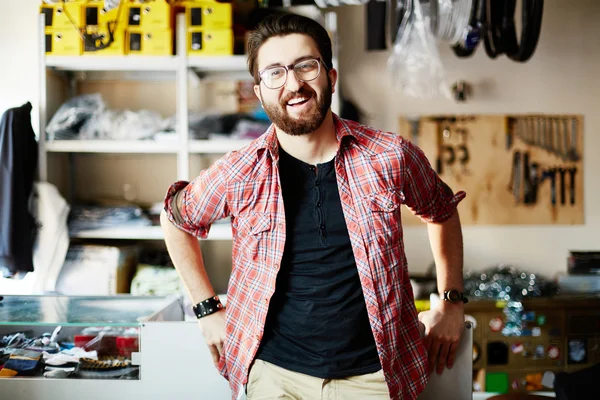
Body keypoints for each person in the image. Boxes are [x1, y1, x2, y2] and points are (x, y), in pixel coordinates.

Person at [160, 12, 467, 400]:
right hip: (273, 377)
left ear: (331, 77)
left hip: (373, 377)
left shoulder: (391, 156)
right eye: (275, 72)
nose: (294, 84)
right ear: (259, 92)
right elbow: (175, 218)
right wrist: (206, 308)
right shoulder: (238, 171)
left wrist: (452, 301)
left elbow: (441, 209)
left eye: (306, 66)